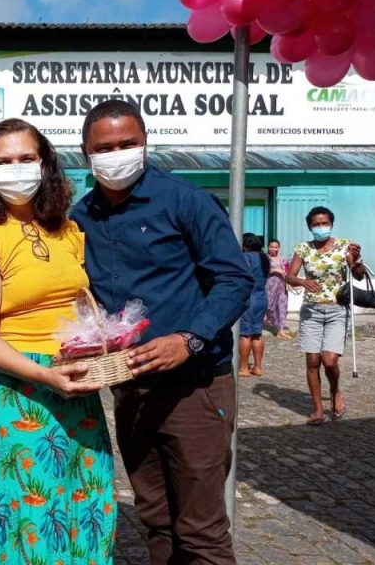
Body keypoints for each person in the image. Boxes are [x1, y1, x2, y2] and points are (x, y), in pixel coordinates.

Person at [71, 100, 251, 565]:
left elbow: (234, 279)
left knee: (201, 530)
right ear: (85, 153)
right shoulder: (80, 217)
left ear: (146, 144)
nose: (117, 154)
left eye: (128, 144)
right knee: (155, 517)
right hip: (130, 388)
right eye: (105, 147)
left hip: (195, 386)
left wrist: (189, 339)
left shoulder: (185, 200)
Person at [0, 118, 115, 564]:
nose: (16, 168)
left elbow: (82, 303)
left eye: (26, 158)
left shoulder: (67, 231)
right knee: (25, 514)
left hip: (74, 387)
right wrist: (45, 374)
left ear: (45, 166)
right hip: (17, 393)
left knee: (82, 507)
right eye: (3, 161)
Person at [285, 206, 364, 426]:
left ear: (331, 224)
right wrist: (302, 281)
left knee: (329, 361)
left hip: (337, 309)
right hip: (311, 311)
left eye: (324, 223)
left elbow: (358, 276)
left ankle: (335, 390)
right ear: (310, 226)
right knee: (312, 361)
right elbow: (289, 277)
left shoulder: (343, 246)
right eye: (316, 224)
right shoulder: (303, 249)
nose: (321, 227)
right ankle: (318, 409)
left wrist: (357, 260)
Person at [239, 233, 270, 377]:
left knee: (245, 333)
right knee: (257, 333)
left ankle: (243, 367)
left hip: (248, 297)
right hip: (262, 296)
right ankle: (258, 367)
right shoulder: (264, 258)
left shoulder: (245, 258)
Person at [265, 238, 291, 338]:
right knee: (270, 307)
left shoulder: (283, 259)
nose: (273, 249)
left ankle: (281, 330)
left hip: (282, 286)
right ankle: (273, 323)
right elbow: (262, 270)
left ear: (279, 248)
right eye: (271, 247)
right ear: (268, 247)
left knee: (282, 307)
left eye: (275, 247)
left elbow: (287, 270)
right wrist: (275, 270)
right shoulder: (265, 258)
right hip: (270, 286)